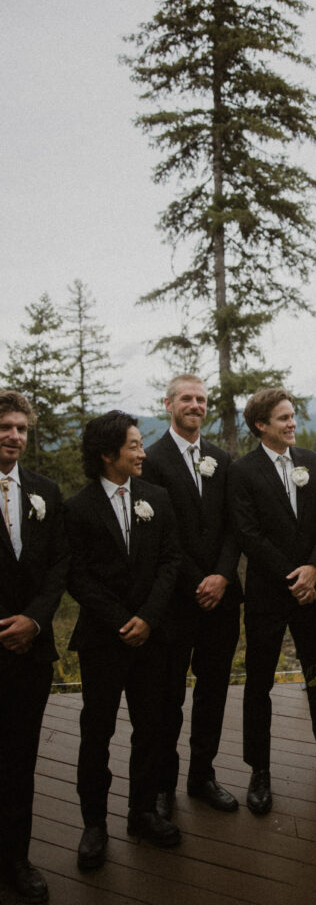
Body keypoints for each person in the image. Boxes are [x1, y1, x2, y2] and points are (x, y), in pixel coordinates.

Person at [228, 387, 316, 815]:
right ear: (261, 425)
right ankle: (259, 771)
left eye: (292, 417)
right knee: (259, 684)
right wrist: (292, 575)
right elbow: (248, 533)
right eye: (282, 418)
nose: (292, 424)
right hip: (268, 593)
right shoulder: (242, 471)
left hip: (313, 592)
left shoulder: (313, 463)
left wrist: (314, 569)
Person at [65, 411, 182, 871]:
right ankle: (94, 823)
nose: (142, 453)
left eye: (140, 444)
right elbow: (76, 575)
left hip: (152, 637)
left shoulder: (156, 497)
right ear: (107, 454)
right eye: (133, 446)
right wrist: (121, 621)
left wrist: (148, 618)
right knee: (97, 731)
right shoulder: (77, 507)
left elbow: (171, 560)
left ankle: (142, 812)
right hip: (103, 638)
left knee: (151, 728)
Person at [142, 374, 242, 819]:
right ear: (168, 404)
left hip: (222, 599)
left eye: (201, 400)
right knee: (169, 697)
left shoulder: (221, 459)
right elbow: (160, 536)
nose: (196, 405)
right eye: (187, 398)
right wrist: (196, 581)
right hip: (175, 602)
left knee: (214, 691)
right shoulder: (151, 459)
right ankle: (164, 784)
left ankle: (202, 776)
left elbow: (233, 526)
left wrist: (221, 576)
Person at [0, 390, 68, 903]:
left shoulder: (45, 491)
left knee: (21, 758)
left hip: (32, 650)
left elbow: (59, 566)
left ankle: (17, 859)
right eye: (6, 427)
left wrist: (35, 620)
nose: (14, 436)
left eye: (22, 429)